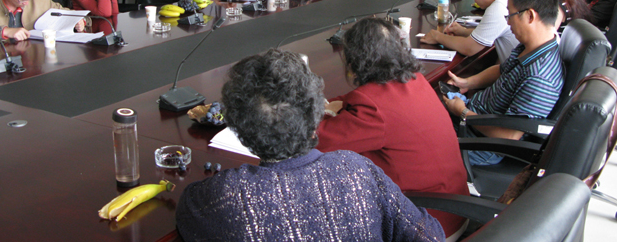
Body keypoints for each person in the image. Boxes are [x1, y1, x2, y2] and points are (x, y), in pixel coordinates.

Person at [176, 49, 446, 242]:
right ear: (316, 112)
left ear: (239, 128)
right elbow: (430, 235)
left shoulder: (226, 195)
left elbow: (188, 212)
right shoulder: (357, 169)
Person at [316, 18, 469, 240]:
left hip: (428, 224)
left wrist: (319, 111)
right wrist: (331, 105)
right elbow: (356, 100)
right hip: (456, 207)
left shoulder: (373, 107)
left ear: (355, 62)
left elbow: (320, 140)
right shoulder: (414, 79)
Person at [442, 0, 564, 165]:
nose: (508, 23)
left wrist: (463, 112)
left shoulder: (539, 77)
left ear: (530, 16)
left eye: (510, 15)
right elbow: (502, 70)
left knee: (411, 140)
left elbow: (508, 136)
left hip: (481, 143)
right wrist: (466, 82)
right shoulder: (532, 46)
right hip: (473, 117)